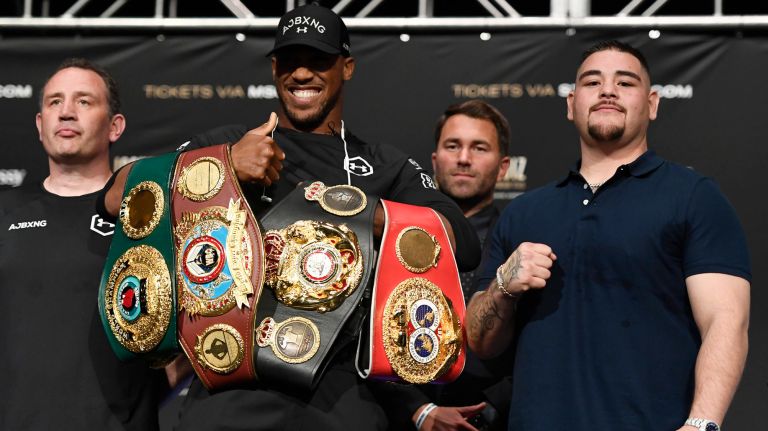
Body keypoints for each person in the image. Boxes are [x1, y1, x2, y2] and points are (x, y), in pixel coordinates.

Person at [101, 3, 482, 430]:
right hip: (228, 394)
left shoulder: (381, 165)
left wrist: (360, 211)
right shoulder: (230, 144)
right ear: (274, 68)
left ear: (348, 67)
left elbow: (461, 243)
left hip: (341, 402)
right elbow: (117, 195)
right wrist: (224, 165)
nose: (302, 74)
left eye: (318, 61)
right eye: (290, 62)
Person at [466, 40, 751, 431]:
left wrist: (702, 423)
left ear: (652, 103)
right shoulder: (524, 212)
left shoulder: (693, 197)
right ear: (570, 104)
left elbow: (726, 320)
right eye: (592, 81)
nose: (607, 90)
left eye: (626, 82)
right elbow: (481, 343)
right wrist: (503, 287)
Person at [0, 59, 165, 429]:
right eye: (55, 102)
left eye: (84, 102)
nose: (67, 113)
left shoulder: (149, 217)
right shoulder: (4, 211)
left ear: (115, 126)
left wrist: (141, 394)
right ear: (40, 124)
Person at [430, 100, 513, 431]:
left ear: (504, 166)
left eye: (479, 148)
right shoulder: (395, 231)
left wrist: (491, 408)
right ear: (435, 160)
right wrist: (417, 410)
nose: (464, 158)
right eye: (453, 146)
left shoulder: (524, 238)